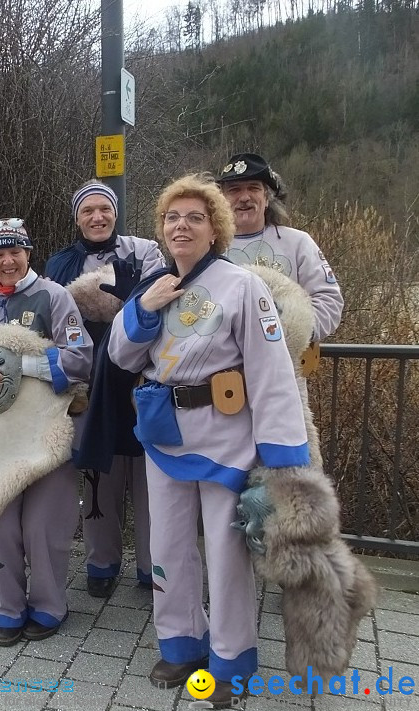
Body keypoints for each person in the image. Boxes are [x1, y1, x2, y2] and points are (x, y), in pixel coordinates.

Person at [107, 174, 309, 707]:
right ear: (161, 229)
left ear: (215, 228)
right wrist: (145, 308)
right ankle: (179, 642)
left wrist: (282, 458)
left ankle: (232, 660)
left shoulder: (243, 286)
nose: (181, 226)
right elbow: (121, 356)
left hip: (226, 438)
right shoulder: (155, 282)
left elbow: (272, 374)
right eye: (172, 218)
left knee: (225, 552)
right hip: (164, 435)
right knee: (167, 545)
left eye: (195, 217)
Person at [0, 218, 93, 646]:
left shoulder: (54, 295)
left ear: (28, 253)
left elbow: (81, 357)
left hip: (47, 432)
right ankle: (6, 608)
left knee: (43, 525)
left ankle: (48, 606)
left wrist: (23, 366)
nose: (7, 261)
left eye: (14, 252)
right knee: (0, 524)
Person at [46, 180, 165, 599]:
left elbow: (157, 300)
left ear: (115, 212)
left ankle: (153, 566)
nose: (97, 217)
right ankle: (101, 561)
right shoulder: (60, 262)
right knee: (99, 472)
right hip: (91, 380)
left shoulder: (144, 250)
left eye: (104, 209)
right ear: (77, 217)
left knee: (149, 477)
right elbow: (52, 316)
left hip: (138, 376)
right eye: (87, 211)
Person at [217, 152, 343, 341]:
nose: (244, 197)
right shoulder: (207, 245)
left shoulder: (298, 243)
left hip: (283, 361)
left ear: (267, 198)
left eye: (253, 188)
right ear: (222, 200)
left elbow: (329, 301)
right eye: (234, 190)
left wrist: (287, 335)